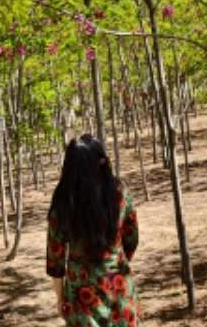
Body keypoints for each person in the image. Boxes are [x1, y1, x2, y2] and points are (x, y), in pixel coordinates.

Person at [46, 133, 140, 326]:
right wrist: (113, 263)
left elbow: (55, 261)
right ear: (100, 162)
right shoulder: (119, 192)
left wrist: (60, 298)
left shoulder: (64, 200)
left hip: (80, 299)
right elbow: (131, 238)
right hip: (119, 291)